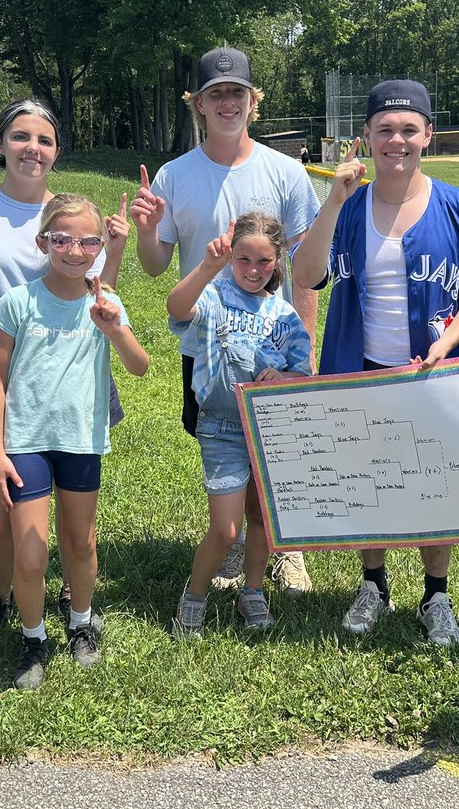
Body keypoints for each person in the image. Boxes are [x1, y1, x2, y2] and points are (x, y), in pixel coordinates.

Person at [292, 79, 459, 646]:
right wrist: (334, 199)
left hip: (431, 370)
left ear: (429, 136)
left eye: (409, 129)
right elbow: (304, 273)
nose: (396, 140)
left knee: (433, 485)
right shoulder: (349, 204)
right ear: (365, 136)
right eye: (384, 129)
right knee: (369, 480)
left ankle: (436, 594)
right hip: (358, 366)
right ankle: (373, 584)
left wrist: (449, 340)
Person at [0, 98, 128, 649]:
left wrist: (113, 248)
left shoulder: (73, 217)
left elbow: (99, 292)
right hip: (2, 368)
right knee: (2, 515)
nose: (31, 148)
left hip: (76, 367)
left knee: (75, 513)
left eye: (43, 139)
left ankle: (73, 603)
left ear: (56, 151)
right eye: (20, 137)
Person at [130, 45, 319, 595]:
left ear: (253, 102)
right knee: (220, 439)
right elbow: (155, 265)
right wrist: (147, 229)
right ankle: (235, 539)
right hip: (209, 347)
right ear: (199, 105)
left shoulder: (285, 172)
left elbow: (304, 271)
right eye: (216, 93)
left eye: (238, 92)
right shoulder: (175, 175)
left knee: (277, 445)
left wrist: (300, 353)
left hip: (271, 344)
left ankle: (283, 550)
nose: (228, 102)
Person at [0, 194, 149, 684]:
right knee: (30, 554)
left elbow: (140, 368)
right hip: (25, 442)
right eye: (62, 239)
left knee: (80, 542)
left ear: (100, 246)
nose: (74, 250)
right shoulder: (17, 302)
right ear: (43, 242)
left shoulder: (106, 302)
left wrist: (115, 329)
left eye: (87, 241)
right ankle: (33, 638)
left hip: (80, 440)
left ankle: (80, 623)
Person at [168, 212, 313, 637]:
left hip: (270, 429)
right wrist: (207, 267)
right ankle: (193, 595)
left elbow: (302, 374)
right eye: (243, 259)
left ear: (277, 262)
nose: (252, 270)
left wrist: (285, 378)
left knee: (260, 518)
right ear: (231, 257)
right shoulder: (214, 295)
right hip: (222, 429)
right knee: (226, 526)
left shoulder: (284, 315)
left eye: (263, 262)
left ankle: (252, 591)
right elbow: (177, 307)